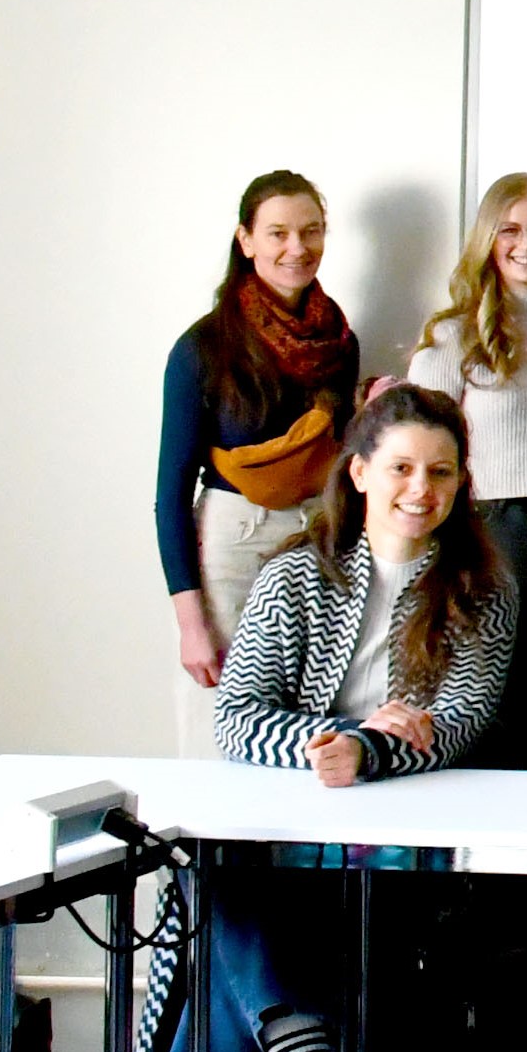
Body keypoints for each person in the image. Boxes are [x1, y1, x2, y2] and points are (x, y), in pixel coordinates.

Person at [167, 385, 516, 1052]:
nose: (420, 489)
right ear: (358, 473)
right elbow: (236, 716)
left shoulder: (484, 588)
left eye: (441, 472)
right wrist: (344, 735)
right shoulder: (294, 575)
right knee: (226, 874)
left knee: (231, 912)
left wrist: (365, 752)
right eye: (401, 468)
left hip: (410, 841)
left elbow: (459, 724)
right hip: (294, 826)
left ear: (462, 483)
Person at [161, 171, 363, 751]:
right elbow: (170, 495)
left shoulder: (339, 342)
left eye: (311, 231)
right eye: (278, 233)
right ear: (246, 240)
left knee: (308, 726)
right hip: (234, 545)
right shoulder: (204, 348)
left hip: (318, 541)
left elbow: (339, 455)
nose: (297, 248)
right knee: (216, 732)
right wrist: (192, 626)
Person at [401, 172, 527, 767]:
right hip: (490, 528)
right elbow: (420, 451)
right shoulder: (452, 335)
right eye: (509, 230)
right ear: (487, 240)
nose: (526, 244)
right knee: (487, 694)